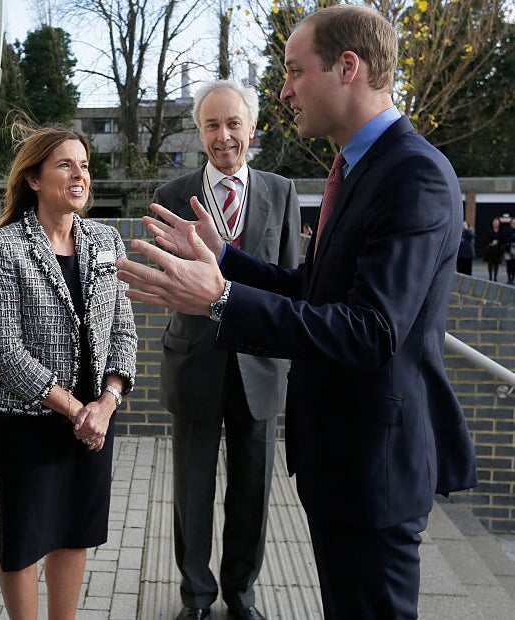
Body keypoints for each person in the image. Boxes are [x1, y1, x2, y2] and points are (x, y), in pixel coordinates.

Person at [115, 5, 477, 619]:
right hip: (341, 461)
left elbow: (371, 329)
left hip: (374, 471)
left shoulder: (412, 174)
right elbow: (315, 287)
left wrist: (221, 298)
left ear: (347, 67)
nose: (282, 91)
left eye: (292, 71)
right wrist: (225, 259)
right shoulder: (362, 168)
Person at [153, 80, 300, 620]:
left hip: (259, 366)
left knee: (252, 492)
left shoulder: (282, 193)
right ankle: (196, 597)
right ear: (199, 132)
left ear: (252, 129)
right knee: (191, 490)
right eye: (212, 125)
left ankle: (241, 593)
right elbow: (167, 281)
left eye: (233, 123)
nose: (223, 136)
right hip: (195, 360)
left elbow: (287, 284)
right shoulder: (173, 194)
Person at [0, 126, 137, 620]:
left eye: (84, 165)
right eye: (66, 164)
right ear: (33, 179)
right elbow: (5, 351)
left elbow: (124, 334)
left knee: (74, 535)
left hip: (93, 427)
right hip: (30, 426)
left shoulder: (106, 240)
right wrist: (76, 410)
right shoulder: (4, 248)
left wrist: (106, 404)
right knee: (25, 543)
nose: (79, 174)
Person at [484, 216, 505, 281]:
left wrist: (498, 242)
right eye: (494, 222)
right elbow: (485, 239)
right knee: (490, 263)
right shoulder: (489, 230)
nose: (495, 223)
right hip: (490, 249)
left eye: (497, 222)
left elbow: (503, 239)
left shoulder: (501, 231)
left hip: (498, 249)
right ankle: (490, 276)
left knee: (496, 264)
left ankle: (495, 277)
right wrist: (490, 243)